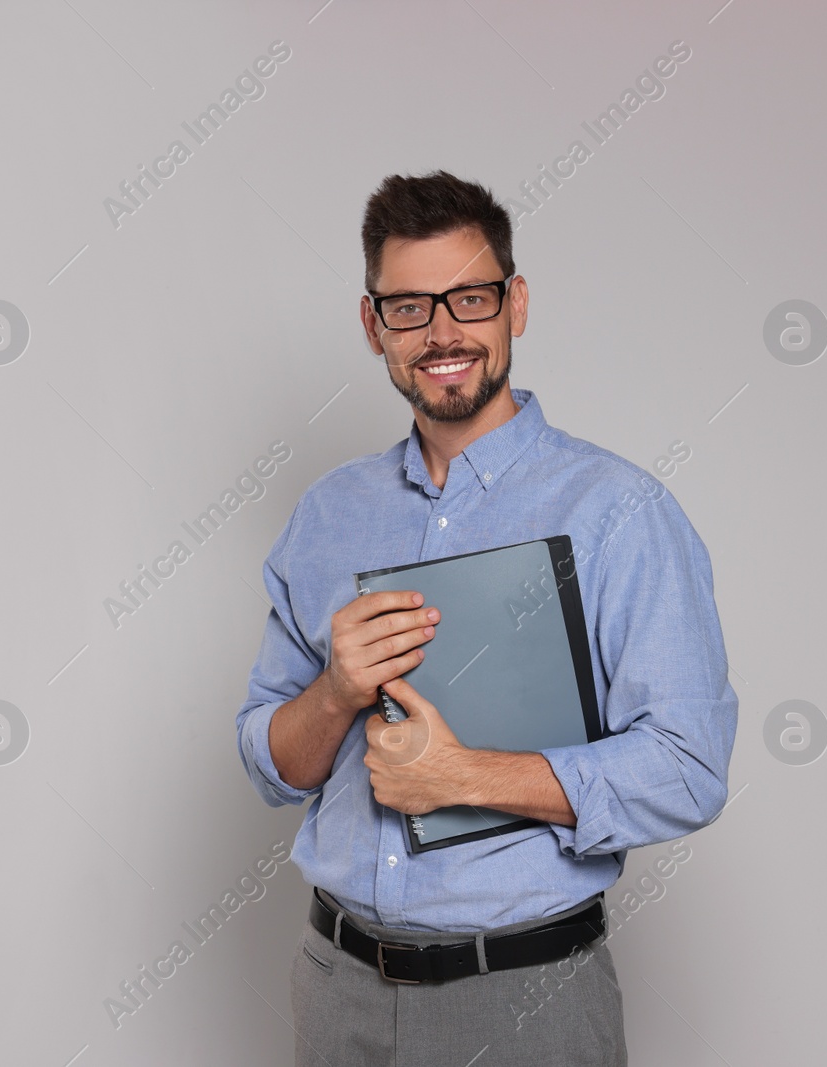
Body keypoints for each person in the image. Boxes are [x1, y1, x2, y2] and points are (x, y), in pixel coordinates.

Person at [233, 171, 737, 1066]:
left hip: (524, 1001)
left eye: (468, 297)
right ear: (371, 324)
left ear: (516, 303)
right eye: (409, 307)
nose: (441, 333)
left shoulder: (619, 512)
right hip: (334, 987)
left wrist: (464, 774)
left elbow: (688, 768)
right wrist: (337, 690)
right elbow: (272, 765)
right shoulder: (326, 514)